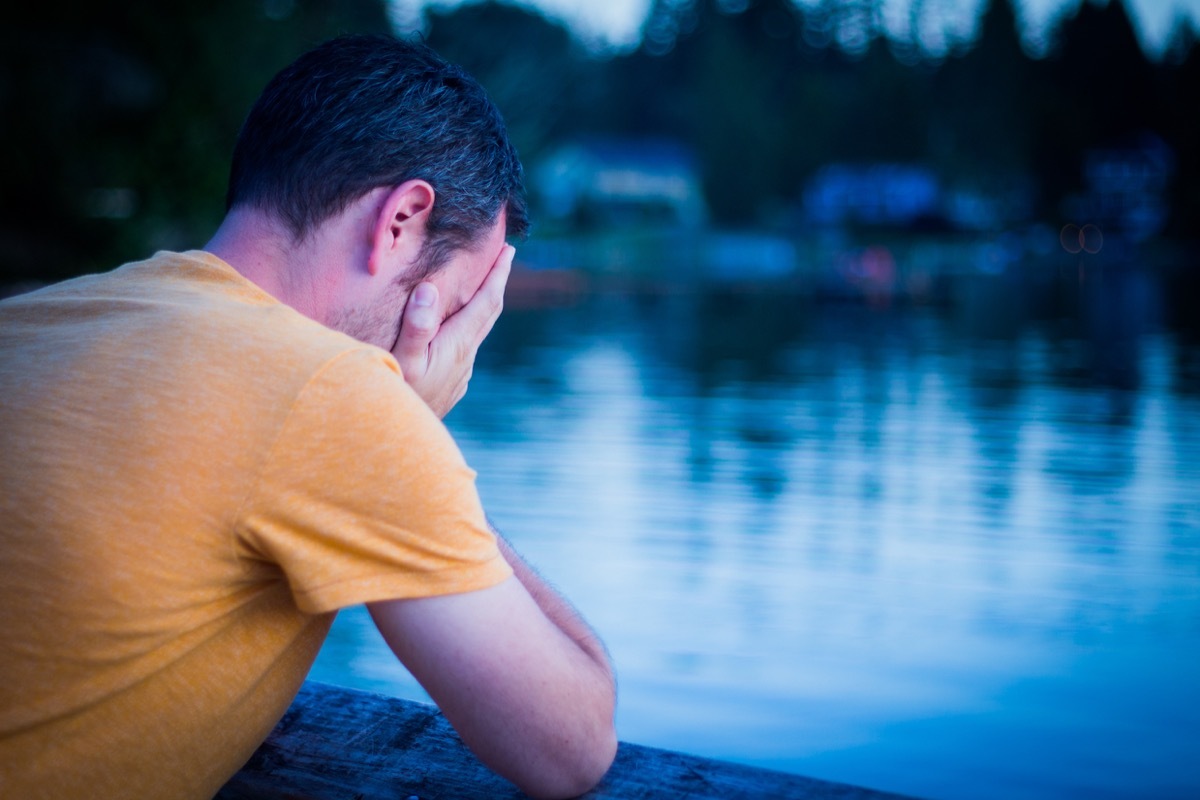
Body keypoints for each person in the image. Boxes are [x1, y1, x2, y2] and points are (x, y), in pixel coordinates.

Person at [0, 34, 616, 800]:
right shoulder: (333, 394)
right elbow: (575, 745)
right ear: (400, 222)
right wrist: (406, 420)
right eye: (458, 305)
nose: (452, 344)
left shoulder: (35, 319)